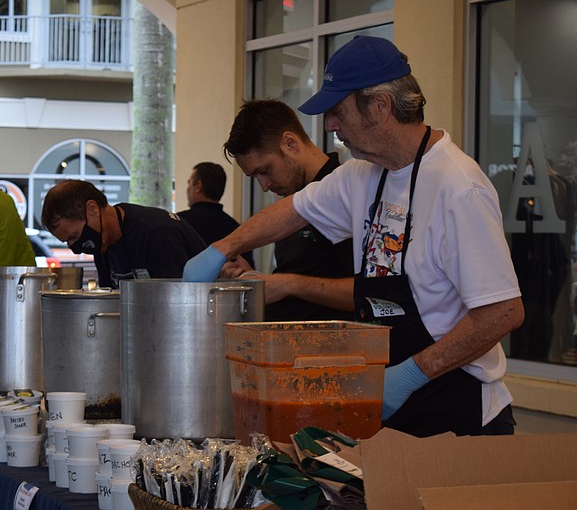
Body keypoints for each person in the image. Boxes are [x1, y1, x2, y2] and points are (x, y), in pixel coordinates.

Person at [184, 36, 524, 438]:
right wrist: (223, 247)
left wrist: (412, 374)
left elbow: (503, 313)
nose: (330, 125)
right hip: (389, 401)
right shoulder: (362, 173)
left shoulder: (458, 188)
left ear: (380, 106)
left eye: (338, 112)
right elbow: (293, 211)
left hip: (456, 406)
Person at [220, 100, 353, 321]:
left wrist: (288, 284)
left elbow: (369, 294)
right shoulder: (288, 204)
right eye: (255, 177)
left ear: (290, 143)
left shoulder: (344, 194)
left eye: (265, 170)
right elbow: (299, 279)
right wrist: (254, 278)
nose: (264, 186)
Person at [42, 179, 207, 288]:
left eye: (74, 237)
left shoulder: (157, 233)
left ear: (92, 209)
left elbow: (179, 303)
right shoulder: (103, 242)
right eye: (68, 242)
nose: (76, 248)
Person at [177, 162, 253, 268]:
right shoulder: (236, 229)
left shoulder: (179, 223)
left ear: (198, 186)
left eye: (189, 183)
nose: (187, 189)